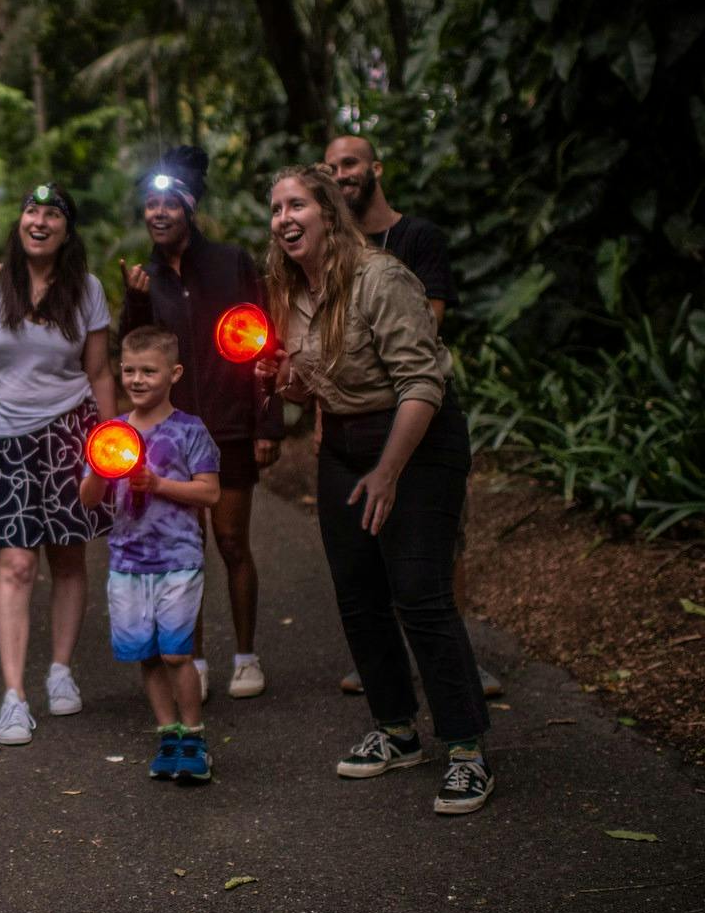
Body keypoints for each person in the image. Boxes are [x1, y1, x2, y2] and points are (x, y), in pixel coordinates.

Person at [261, 163, 495, 815]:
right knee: (359, 593)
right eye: (275, 208)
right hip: (345, 444)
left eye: (296, 204)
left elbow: (422, 382)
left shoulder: (380, 278)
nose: (283, 218)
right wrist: (288, 380)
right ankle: (396, 730)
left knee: (419, 592)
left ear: (329, 213)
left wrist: (388, 473)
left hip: (417, 440)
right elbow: (314, 387)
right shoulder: (290, 289)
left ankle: (466, 749)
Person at [322, 134, 502, 701]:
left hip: (419, 406)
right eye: (331, 168)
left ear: (376, 168)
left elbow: (428, 319)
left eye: (350, 163)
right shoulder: (330, 247)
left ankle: (455, 657)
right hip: (357, 419)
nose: (341, 174)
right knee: (368, 540)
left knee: (439, 542)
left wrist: (363, 349)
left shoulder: (417, 237)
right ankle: (386, 658)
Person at [0, 183, 115, 746]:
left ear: (67, 230)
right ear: (19, 222)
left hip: (71, 433)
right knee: (16, 564)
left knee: (68, 557)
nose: (39, 221)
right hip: (2, 440)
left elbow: (99, 373)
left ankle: (60, 669)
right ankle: (14, 696)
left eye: (52, 214)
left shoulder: (86, 289)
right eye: (31, 211)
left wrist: (111, 448)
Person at [118, 146, 283, 702]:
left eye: (169, 203)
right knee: (184, 552)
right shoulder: (144, 277)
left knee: (232, 542)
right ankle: (196, 660)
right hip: (171, 438)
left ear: (189, 208)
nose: (158, 212)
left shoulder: (231, 263)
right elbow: (135, 356)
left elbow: (264, 342)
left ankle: (246, 657)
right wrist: (135, 303)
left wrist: (268, 423)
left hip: (230, 427)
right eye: (150, 204)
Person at [79, 327, 221, 783]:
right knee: (147, 654)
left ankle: (194, 738)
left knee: (177, 653)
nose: (137, 379)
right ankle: (168, 735)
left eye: (148, 371)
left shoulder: (190, 430)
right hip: (127, 562)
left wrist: (158, 484)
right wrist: (100, 468)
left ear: (174, 373)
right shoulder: (113, 435)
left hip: (179, 558)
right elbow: (88, 499)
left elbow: (210, 493)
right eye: (129, 370)